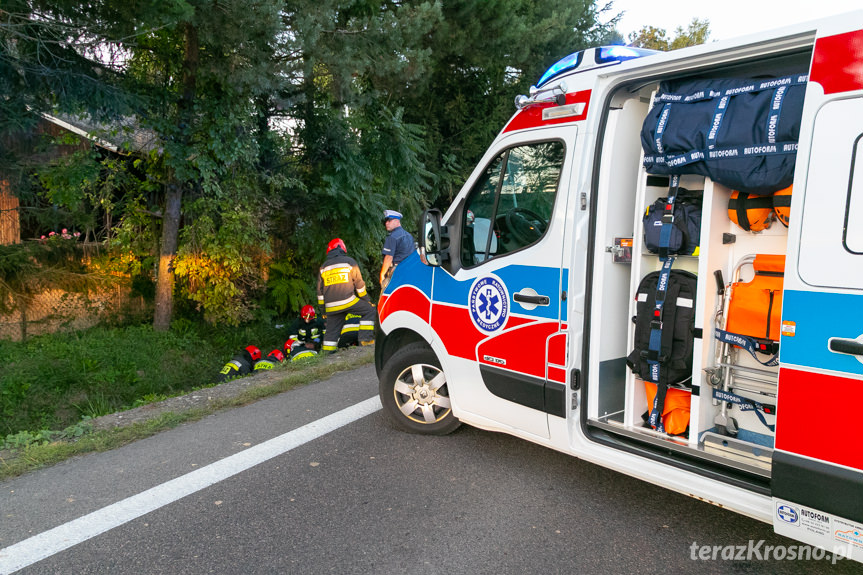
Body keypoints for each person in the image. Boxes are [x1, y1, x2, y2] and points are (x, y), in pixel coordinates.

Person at [317, 238, 376, 352]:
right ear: (342, 248)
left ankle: (327, 353)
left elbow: (320, 293)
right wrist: (366, 300)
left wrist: (323, 310)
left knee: (331, 330)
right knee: (369, 310)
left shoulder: (323, 267)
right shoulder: (349, 262)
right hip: (348, 301)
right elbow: (359, 284)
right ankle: (366, 341)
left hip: (331, 306)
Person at [379, 209, 416, 288]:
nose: (386, 223)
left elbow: (389, 257)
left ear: (397, 221)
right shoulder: (409, 236)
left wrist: (382, 274)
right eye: (386, 221)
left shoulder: (392, 237)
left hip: (396, 272)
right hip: (410, 272)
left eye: (389, 221)